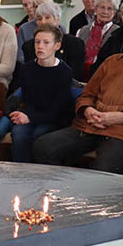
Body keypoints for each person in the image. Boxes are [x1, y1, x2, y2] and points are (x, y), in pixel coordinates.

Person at [33, 7, 123, 175]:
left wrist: (120, 117)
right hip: (91, 126)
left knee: (104, 167)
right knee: (43, 146)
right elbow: (87, 94)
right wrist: (88, 110)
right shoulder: (112, 62)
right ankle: (57, 195)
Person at [9, 24, 74, 162]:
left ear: (57, 46)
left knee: (39, 135)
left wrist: (30, 117)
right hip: (32, 115)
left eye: (46, 42)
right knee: (19, 134)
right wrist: (24, 115)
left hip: (54, 119)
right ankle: (20, 175)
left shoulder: (64, 71)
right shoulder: (27, 69)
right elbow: (28, 101)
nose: (40, 46)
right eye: (37, 42)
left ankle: (39, 177)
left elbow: (58, 110)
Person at [21, 1, 85, 81]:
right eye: (39, 19)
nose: (43, 22)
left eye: (47, 17)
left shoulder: (75, 44)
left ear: (57, 20)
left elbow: (75, 76)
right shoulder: (29, 46)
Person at [77, 0, 120, 80]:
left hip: (105, 77)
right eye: (102, 7)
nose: (105, 12)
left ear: (115, 12)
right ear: (96, 9)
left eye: (109, 9)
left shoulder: (118, 33)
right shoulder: (82, 31)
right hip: (80, 77)